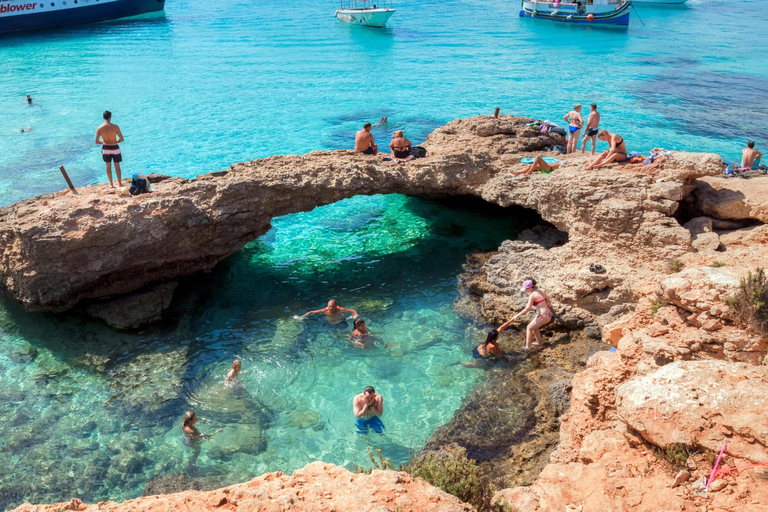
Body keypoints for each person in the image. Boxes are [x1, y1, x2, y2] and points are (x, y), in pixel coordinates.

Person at [510, 279, 553, 349]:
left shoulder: (532, 296)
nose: (525, 290)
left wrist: (517, 315)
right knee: (534, 328)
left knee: (529, 328)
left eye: (526, 289)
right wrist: (549, 307)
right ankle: (538, 343)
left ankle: (528, 346)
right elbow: (548, 301)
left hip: (543, 316)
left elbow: (527, 309)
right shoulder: (541, 291)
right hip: (548, 315)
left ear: (530, 288)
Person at [95, 110, 125, 188]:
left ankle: (111, 184)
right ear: (110, 117)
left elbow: (97, 141)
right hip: (115, 148)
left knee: (108, 167)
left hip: (106, 149)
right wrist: (115, 141)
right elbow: (121, 139)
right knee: (117, 167)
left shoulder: (99, 128)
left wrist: (104, 142)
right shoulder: (115, 127)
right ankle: (120, 183)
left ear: (103, 117)